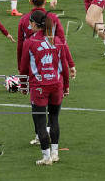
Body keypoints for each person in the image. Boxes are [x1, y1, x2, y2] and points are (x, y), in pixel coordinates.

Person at [17, 0, 76, 145]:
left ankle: (39, 134)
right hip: (53, 66)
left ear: (30, 1)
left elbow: (20, 48)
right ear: (45, 0)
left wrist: (21, 75)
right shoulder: (53, 19)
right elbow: (62, 43)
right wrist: (70, 64)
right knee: (54, 106)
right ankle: (49, 132)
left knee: (36, 103)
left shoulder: (24, 20)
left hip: (33, 69)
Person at [20, 10, 71, 165]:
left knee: (41, 123)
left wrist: (23, 85)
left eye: (30, 23)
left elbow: (23, 68)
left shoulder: (29, 42)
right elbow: (64, 67)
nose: (29, 25)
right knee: (54, 119)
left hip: (39, 87)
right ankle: (55, 154)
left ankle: (46, 157)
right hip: (57, 85)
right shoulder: (57, 40)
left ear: (35, 24)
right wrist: (66, 86)